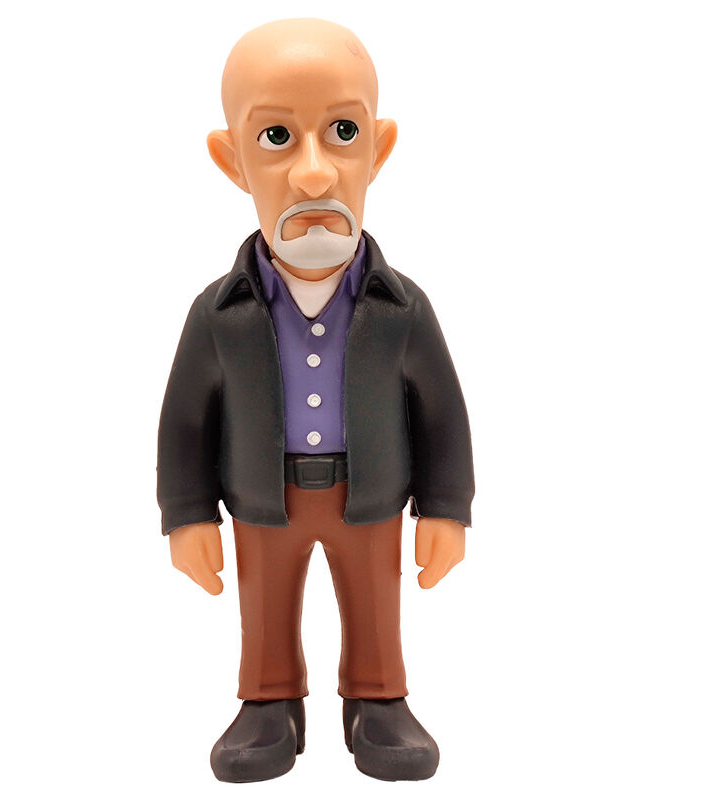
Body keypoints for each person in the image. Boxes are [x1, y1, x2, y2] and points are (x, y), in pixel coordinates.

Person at [157, 17, 475, 782]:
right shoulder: (219, 314)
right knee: (264, 604)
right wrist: (188, 515)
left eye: (342, 132)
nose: (312, 175)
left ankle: (378, 699)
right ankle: (269, 702)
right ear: (232, 161)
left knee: (375, 602)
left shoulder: (402, 308)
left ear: (378, 150)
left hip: (370, 495)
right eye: (275, 138)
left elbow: (442, 414)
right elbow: (185, 421)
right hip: (263, 499)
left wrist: (445, 508)